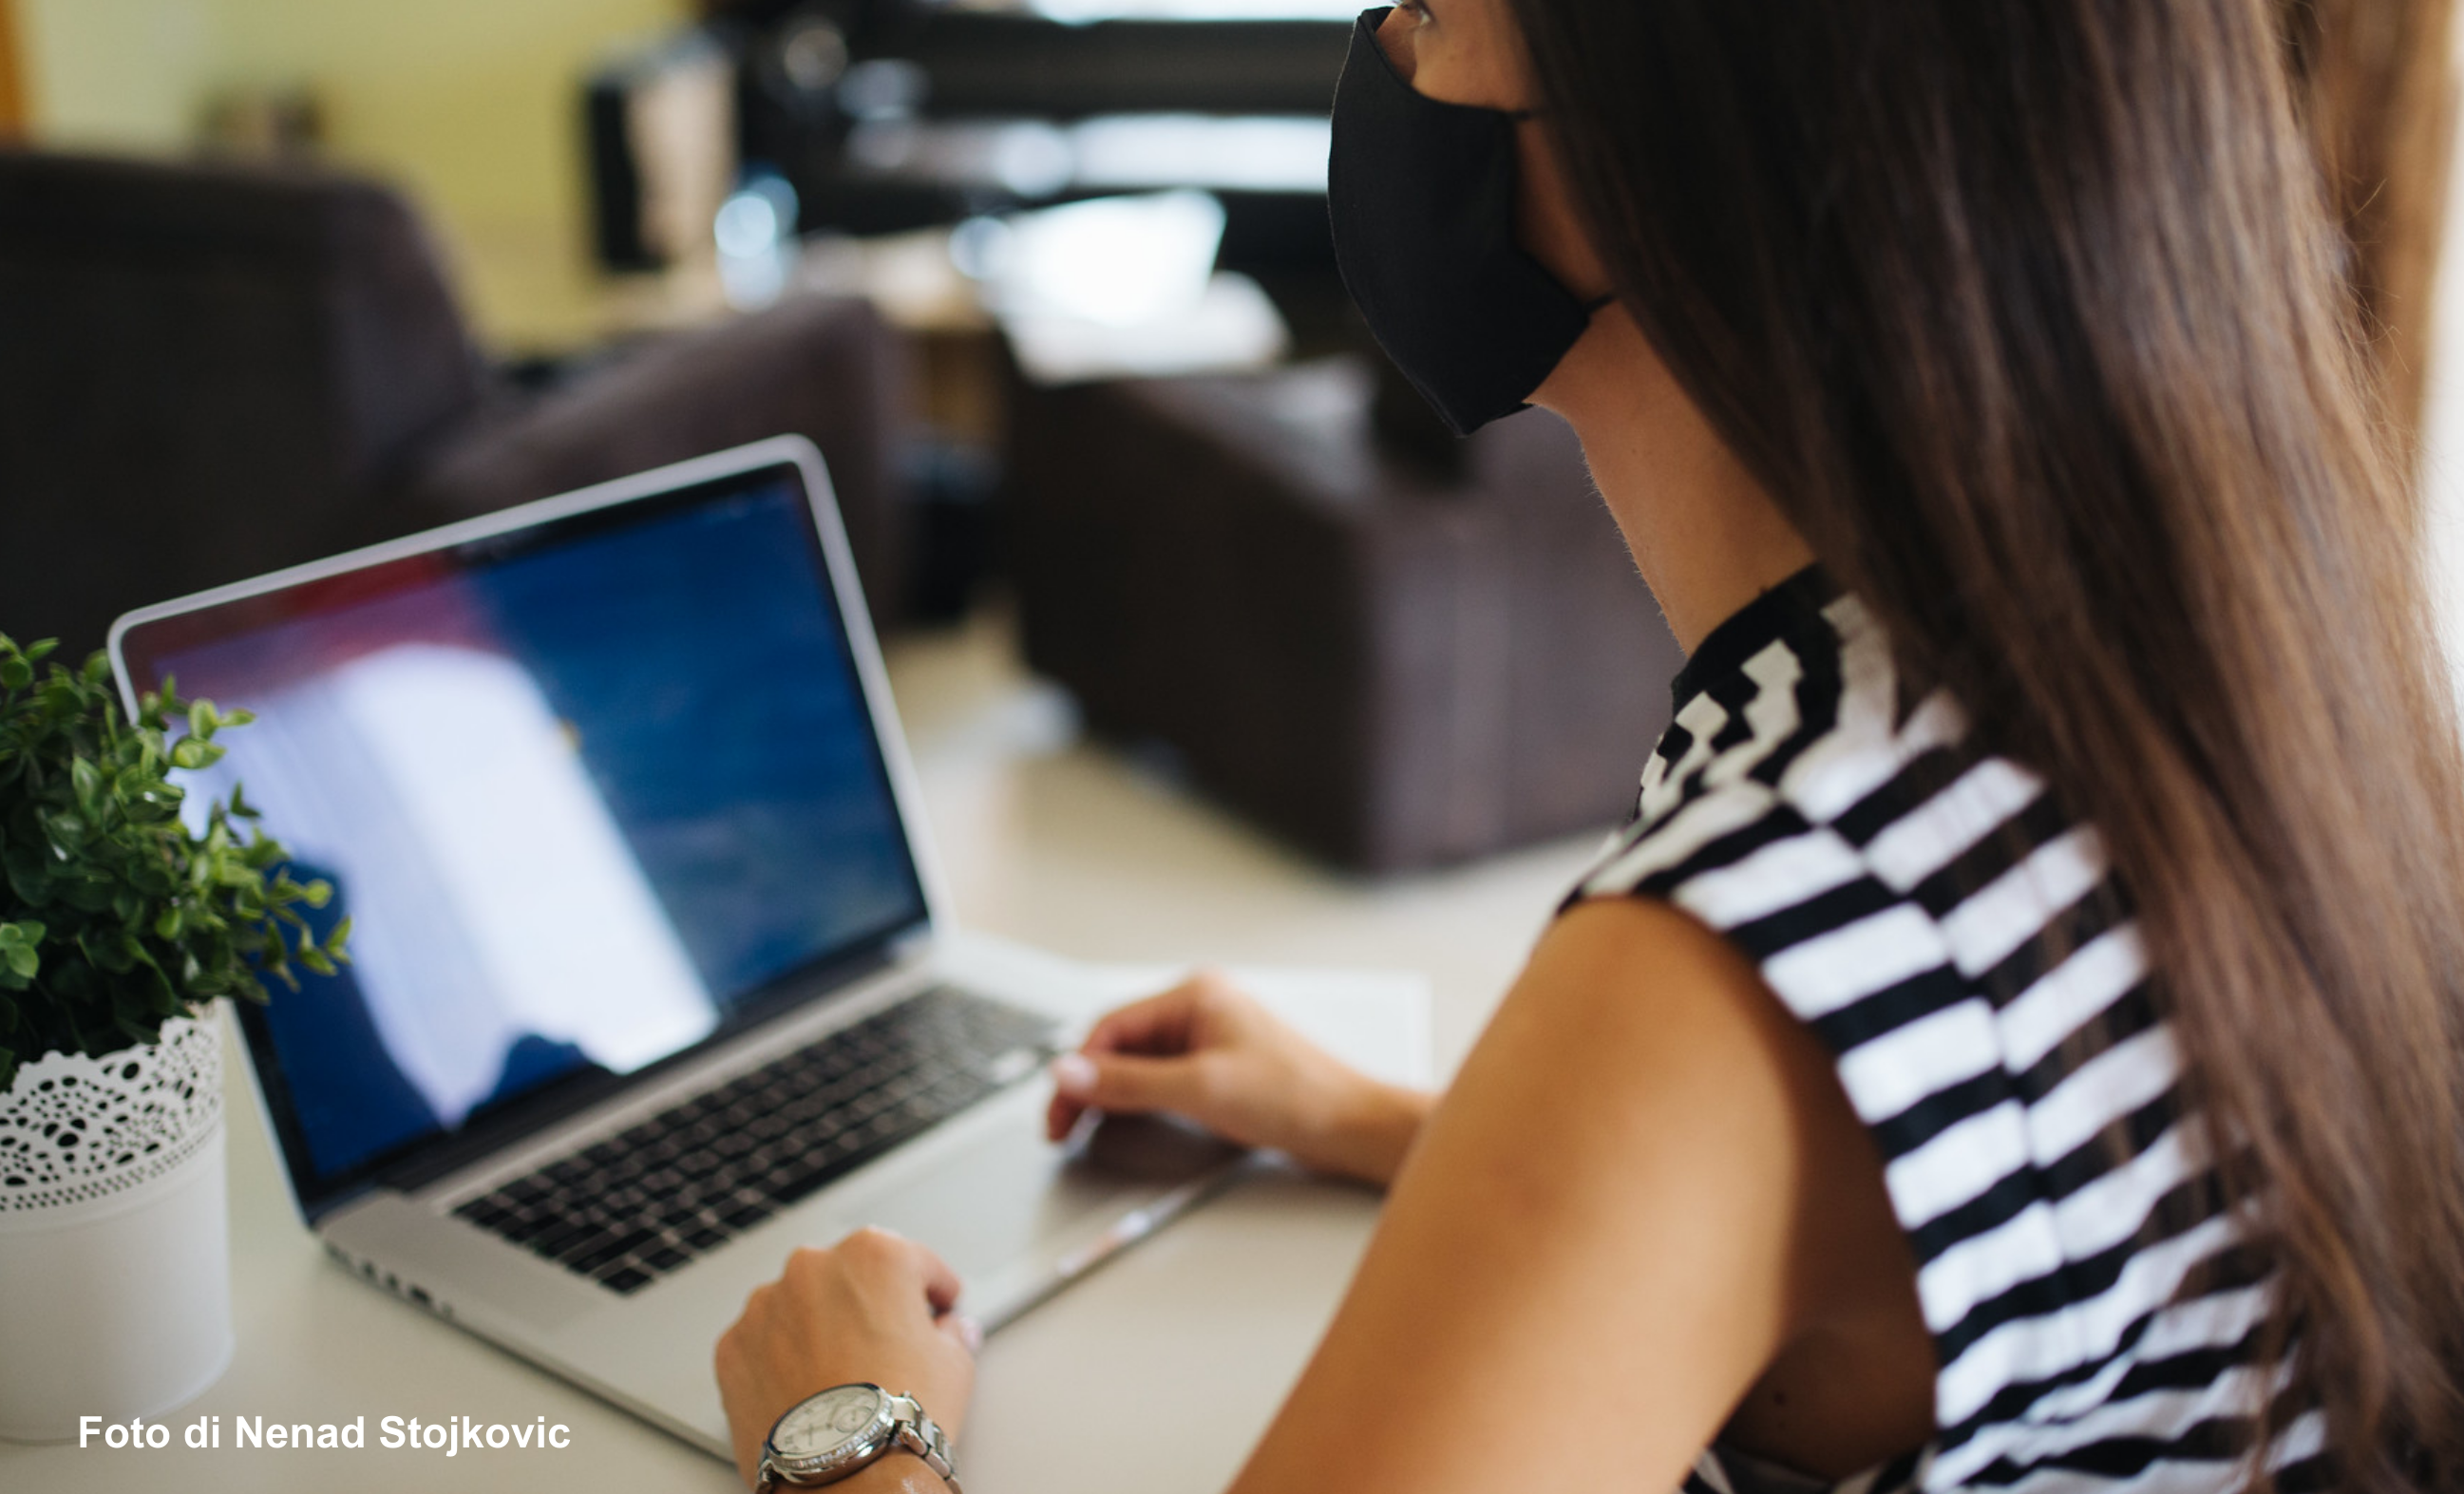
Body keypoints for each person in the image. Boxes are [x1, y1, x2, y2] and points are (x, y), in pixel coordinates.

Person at [714, 1, 2464, 1490]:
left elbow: (1780, 1077)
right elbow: (1929, 1202)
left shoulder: (1768, 938)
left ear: (1671, 124)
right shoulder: (2216, 641)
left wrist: (847, 1427)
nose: (1383, 47)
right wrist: (1419, 1131)